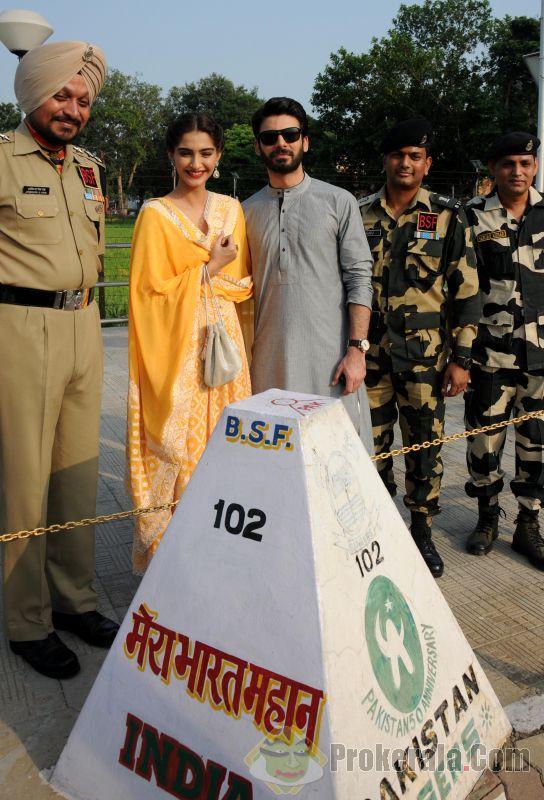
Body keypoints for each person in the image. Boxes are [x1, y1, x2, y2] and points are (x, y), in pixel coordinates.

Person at [0, 42, 119, 680]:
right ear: (32, 96)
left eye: (82, 100)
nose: (72, 108)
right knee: (23, 484)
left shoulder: (88, 169)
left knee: (76, 475)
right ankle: (27, 621)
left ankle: (74, 601)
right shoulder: (1, 159)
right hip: (18, 328)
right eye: (61, 95)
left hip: (82, 325)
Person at [127, 113, 252, 572]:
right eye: (185, 152)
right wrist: (208, 270)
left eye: (205, 153)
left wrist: (219, 277)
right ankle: (176, 568)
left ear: (218, 157)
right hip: (176, 354)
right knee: (180, 454)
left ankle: (223, 560)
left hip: (225, 352)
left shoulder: (230, 210)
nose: (195, 163)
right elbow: (146, 293)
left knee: (226, 452)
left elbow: (242, 286)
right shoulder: (155, 215)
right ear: (171, 156)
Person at [359, 119, 480, 578]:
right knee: (370, 447)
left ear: (427, 164)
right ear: (385, 160)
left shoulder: (448, 216)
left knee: (424, 449)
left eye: (415, 156)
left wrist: (462, 360)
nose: (405, 163)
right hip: (370, 360)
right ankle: (380, 527)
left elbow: (466, 292)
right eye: (397, 155)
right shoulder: (361, 214)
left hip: (426, 363)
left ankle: (422, 531)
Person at [243, 97, 374, 453]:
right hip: (267, 367)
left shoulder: (337, 201)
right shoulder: (245, 212)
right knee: (276, 466)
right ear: (258, 146)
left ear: (305, 141)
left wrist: (356, 350)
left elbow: (360, 278)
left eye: (290, 134)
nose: (280, 143)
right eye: (270, 138)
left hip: (331, 364)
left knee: (339, 460)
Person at [464, 132, 544, 569]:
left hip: (541, 358)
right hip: (488, 356)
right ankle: (487, 517)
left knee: (537, 446)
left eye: (526, 163)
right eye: (509, 164)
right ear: (493, 169)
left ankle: (528, 524)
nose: (518, 172)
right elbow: (459, 287)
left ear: (534, 167)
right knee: (482, 442)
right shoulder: (472, 217)